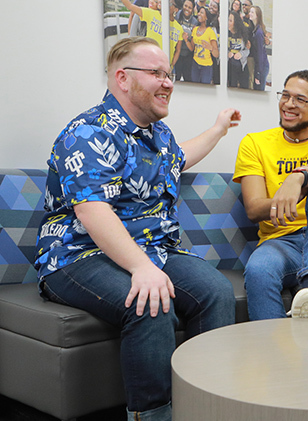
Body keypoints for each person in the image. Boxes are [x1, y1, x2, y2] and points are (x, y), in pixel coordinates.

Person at [34, 37, 241, 421]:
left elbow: (180, 157)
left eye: (169, 74)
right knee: (151, 304)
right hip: (77, 253)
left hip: (152, 247)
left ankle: (207, 406)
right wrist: (143, 269)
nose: (168, 83)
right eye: (156, 73)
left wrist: (217, 129)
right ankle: (153, 416)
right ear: (123, 79)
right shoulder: (88, 130)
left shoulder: (157, 136)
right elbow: (94, 213)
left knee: (215, 291)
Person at [233, 70, 308, 320]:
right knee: (258, 270)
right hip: (281, 242)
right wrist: (289, 197)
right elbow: (255, 209)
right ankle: (275, 355)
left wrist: (299, 178)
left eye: (300, 99)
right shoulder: (255, 143)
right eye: (285, 95)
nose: (289, 104)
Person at [184, 7, 218, 84]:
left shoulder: (210, 31)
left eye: (201, 12)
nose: (199, 14)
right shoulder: (195, 29)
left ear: (206, 17)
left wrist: (211, 48)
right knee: (195, 87)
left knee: (204, 89)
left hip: (206, 66)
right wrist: (186, 40)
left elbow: (216, 54)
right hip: (195, 64)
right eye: (199, 12)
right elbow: (192, 48)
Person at [174, 0, 198, 82]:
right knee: (176, 77)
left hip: (188, 53)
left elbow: (193, 43)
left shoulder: (195, 22)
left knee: (187, 77)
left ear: (193, 9)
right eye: (185, 6)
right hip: (177, 52)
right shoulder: (177, 15)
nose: (187, 9)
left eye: (189, 7)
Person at [227, 11, 250, 89]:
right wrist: (227, 53)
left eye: (230, 21)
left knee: (244, 88)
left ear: (235, 22)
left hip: (242, 66)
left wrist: (241, 54)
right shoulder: (226, 33)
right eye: (228, 20)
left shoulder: (243, 33)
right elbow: (221, 47)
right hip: (230, 66)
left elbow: (247, 50)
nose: (228, 23)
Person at [248, 5, 269, 91]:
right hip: (260, 66)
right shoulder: (255, 30)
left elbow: (260, 53)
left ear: (257, 15)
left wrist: (258, 73)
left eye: (252, 12)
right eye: (250, 12)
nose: (250, 13)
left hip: (262, 67)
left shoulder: (258, 33)